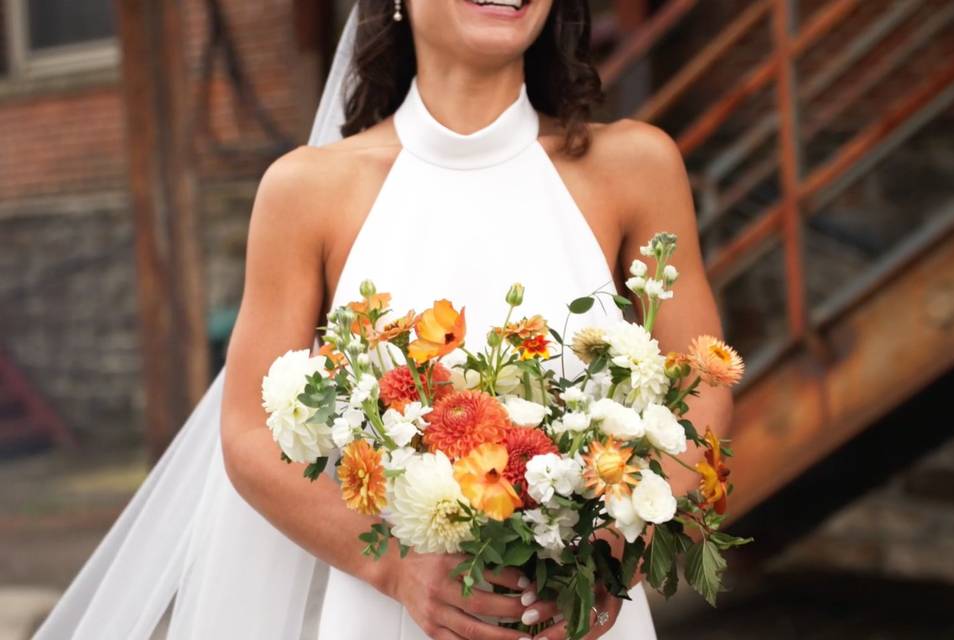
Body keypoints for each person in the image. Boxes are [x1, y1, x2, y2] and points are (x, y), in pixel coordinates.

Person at [34, 1, 732, 639]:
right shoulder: (308, 192)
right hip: (389, 619)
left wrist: (620, 543)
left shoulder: (634, 167)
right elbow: (247, 432)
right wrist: (396, 568)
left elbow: (703, 378)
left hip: (580, 622)